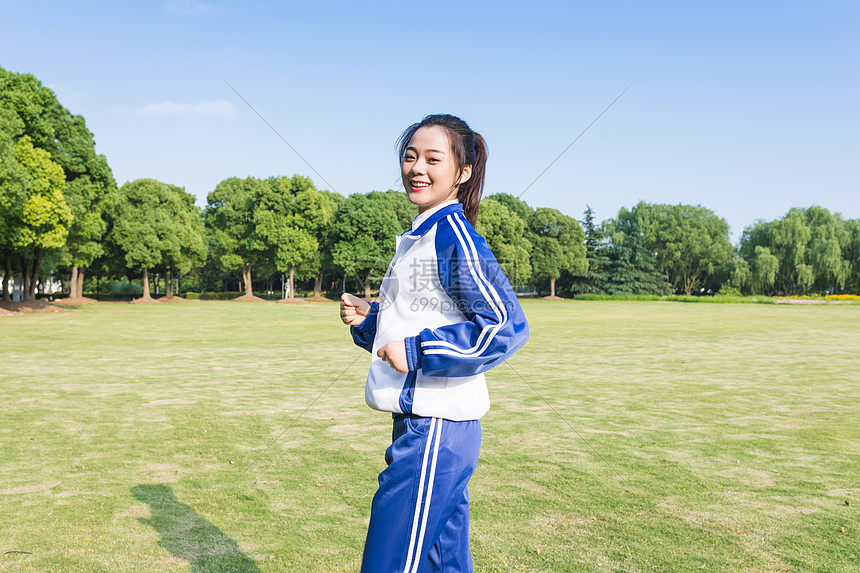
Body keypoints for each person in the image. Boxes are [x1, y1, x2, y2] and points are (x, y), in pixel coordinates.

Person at [339, 114, 529, 573]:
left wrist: (421, 350)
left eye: (432, 158)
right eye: (410, 156)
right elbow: (413, 324)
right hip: (421, 424)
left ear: (462, 173)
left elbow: (504, 324)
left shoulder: (453, 236)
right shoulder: (419, 237)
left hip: (437, 428)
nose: (417, 168)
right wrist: (370, 322)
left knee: (389, 563)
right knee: (442, 564)